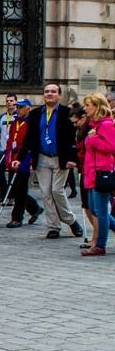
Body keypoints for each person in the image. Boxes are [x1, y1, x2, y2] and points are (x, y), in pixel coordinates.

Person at [14, 84, 83, 240]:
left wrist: (73, 158)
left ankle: (70, 220)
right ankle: (53, 227)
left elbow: (74, 138)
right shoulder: (36, 113)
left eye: (53, 91)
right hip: (42, 158)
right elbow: (29, 138)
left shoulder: (66, 112)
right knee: (46, 193)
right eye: (46, 91)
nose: (49, 94)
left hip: (61, 158)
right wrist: (20, 158)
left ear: (59, 95)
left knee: (57, 190)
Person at [80, 93, 115, 256]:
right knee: (95, 209)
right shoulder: (94, 125)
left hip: (101, 172)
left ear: (97, 106)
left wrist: (93, 139)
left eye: (88, 105)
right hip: (91, 172)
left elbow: (111, 147)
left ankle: (100, 245)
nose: (85, 108)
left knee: (100, 211)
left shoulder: (105, 125)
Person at [4, 99, 43, 229]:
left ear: (28, 108)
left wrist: (32, 161)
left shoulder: (32, 122)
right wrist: (7, 157)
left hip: (25, 157)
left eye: (21, 107)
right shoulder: (15, 121)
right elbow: (10, 140)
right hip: (14, 157)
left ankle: (17, 217)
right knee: (14, 188)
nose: (18, 110)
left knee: (20, 188)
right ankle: (34, 208)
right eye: (17, 107)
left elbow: (33, 143)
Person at [69, 106, 96, 248]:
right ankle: (95, 237)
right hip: (83, 169)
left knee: (93, 207)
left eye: (76, 122)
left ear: (83, 117)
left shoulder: (89, 129)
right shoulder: (80, 130)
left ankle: (97, 238)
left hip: (90, 170)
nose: (75, 125)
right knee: (86, 205)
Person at [0, 94, 18, 203]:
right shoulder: (2, 116)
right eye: (7, 101)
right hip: (2, 149)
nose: (9, 103)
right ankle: (3, 192)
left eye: (11, 101)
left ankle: (11, 196)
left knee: (12, 174)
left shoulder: (18, 116)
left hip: (13, 151)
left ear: (15, 102)